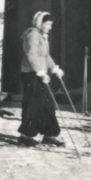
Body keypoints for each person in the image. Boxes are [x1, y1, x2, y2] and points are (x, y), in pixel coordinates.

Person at [17, 10, 65, 147]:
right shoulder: (33, 34)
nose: (50, 27)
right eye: (48, 24)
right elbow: (31, 56)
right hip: (31, 75)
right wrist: (41, 73)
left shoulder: (41, 36)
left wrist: (54, 68)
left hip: (40, 75)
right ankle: (25, 136)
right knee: (32, 105)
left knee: (47, 105)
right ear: (40, 23)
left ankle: (49, 135)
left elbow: (45, 56)